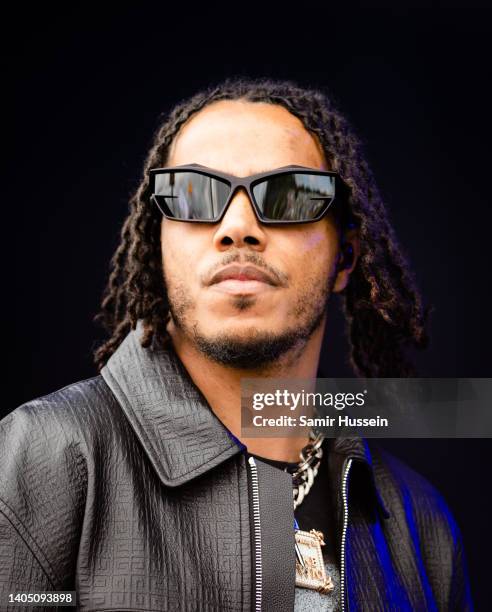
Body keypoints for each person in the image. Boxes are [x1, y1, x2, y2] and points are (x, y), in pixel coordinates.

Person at [0, 77, 472, 611]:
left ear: (346, 257)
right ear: (158, 247)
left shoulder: (421, 525)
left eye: (290, 194)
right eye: (195, 193)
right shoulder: (48, 457)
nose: (237, 226)